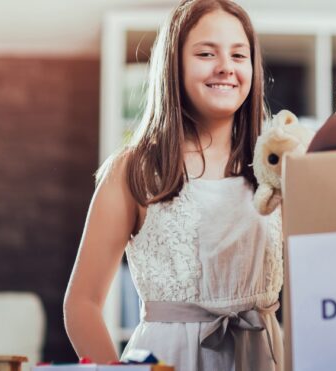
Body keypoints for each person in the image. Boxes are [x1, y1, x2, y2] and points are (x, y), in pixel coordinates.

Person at [63, 1, 283, 370]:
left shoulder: (278, 167)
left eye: (238, 54)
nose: (225, 67)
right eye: (206, 53)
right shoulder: (133, 169)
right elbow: (81, 303)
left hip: (263, 358)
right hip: (166, 359)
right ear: (174, 64)